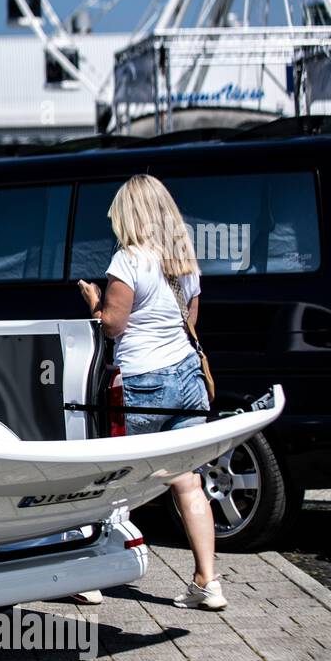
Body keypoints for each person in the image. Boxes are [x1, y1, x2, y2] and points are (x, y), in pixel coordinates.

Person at [77, 173, 226, 611]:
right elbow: (189, 323)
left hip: (143, 380)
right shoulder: (185, 263)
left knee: (112, 477)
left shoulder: (128, 261)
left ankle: (87, 577)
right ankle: (207, 581)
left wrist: (92, 303)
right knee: (187, 479)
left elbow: (113, 325)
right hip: (187, 379)